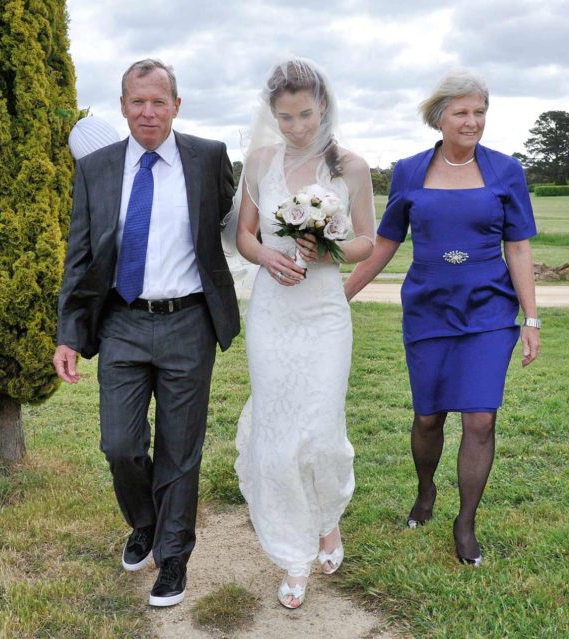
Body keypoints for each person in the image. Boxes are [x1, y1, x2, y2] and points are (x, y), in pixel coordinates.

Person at [53, 59, 239, 607]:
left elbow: (230, 225)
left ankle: (173, 555)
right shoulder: (97, 169)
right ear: (123, 106)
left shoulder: (208, 158)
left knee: (180, 450)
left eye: (159, 101)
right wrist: (69, 334)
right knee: (120, 445)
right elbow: (80, 255)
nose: (149, 112)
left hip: (189, 322)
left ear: (176, 106)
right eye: (138, 101)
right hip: (122, 322)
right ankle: (144, 521)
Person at [345, 69, 540, 566]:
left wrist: (532, 318)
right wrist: (342, 294)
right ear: (439, 118)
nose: (472, 121)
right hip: (428, 309)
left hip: (488, 311)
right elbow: (386, 242)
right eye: (461, 112)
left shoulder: (506, 171)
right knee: (429, 416)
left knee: (481, 417)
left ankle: (466, 523)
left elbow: (518, 247)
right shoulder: (410, 171)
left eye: (479, 112)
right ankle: (426, 490)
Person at [233, 58, 375, 608]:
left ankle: (326, 520)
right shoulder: (259, 163)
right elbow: (245, 236)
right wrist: (267, 257)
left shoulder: (351, 167)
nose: (296, 127)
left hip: (323, 316)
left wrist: (329, 250)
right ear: (273, 114)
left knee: (321, 431)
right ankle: (294, 554)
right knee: (276, 438)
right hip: (272, 312)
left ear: (324, 108)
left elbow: (368, 241)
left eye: (306, 115)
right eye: (286, 117)